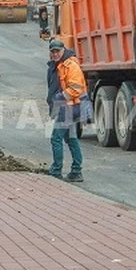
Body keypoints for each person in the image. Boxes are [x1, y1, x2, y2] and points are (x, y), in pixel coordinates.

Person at [46, 38, 91, 182]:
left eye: (57, 51)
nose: (55, 54)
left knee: (56, 138)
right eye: (52, 51)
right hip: (68, 107)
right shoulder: (58, 65)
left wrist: (59, 97)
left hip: (69, 108)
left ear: (63, 50)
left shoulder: (70, 65)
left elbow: (76, 88)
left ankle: (56, 171)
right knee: (71, 139)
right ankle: (76, 171)